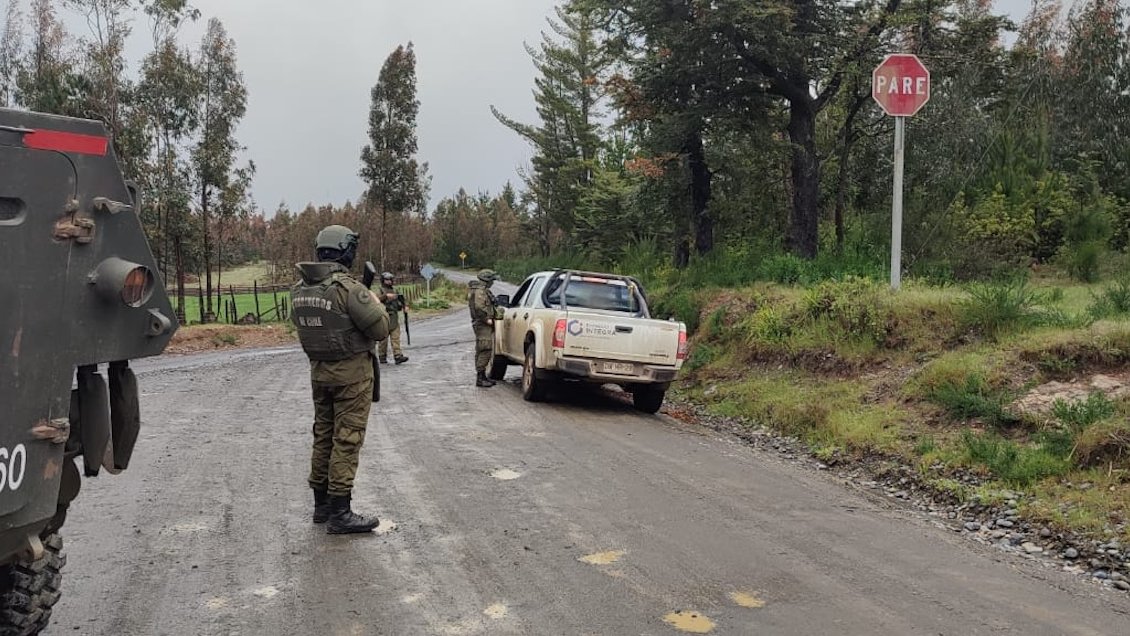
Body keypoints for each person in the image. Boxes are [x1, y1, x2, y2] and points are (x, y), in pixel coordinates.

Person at [291, 225, 389, 534]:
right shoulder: (349, 289)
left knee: (323, 436)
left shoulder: (300, 290)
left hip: (320, 374)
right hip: (352, 377)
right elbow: (380, 329)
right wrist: (375, 300)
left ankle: (321, 506)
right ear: (346, 252)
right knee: (346, 440)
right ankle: (341, 513)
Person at [467, 269, 500, 387]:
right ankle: (480, 377)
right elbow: (479, 307)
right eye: (491, 280)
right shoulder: (480, 292)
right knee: (485, 348)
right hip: (482, 323)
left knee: (482, 348)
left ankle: (482, 375)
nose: (493, 283)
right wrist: (487, 318)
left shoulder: (482, 291)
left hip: (481, 323)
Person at [377, 271, 408, 364]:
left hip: (394, 317)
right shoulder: (380, 290)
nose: (389, 281)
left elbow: (401, 300)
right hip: (384, 317)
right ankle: (382, 356)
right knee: (383, 339)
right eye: (387, 280)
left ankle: (397, 355)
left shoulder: (395, 290)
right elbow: (376, 300)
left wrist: (405, 306)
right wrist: (386, 296)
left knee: (396, 337)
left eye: (390, 279)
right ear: (383, 280)